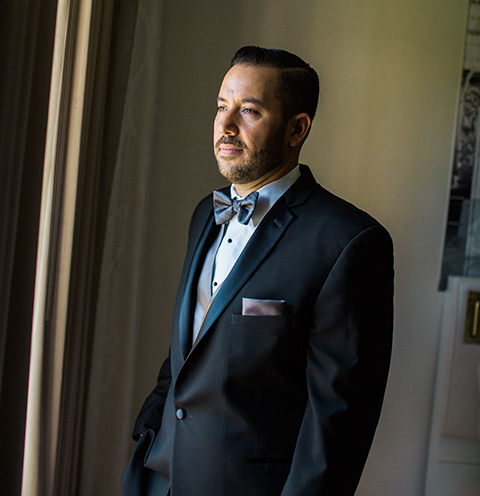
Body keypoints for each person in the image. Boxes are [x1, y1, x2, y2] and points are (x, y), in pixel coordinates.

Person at [121, 46, 394, 496]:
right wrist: (147, 437)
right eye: (221, 106)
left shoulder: (350, 242)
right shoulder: (204, 216)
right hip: (159, 477)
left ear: (296, 129)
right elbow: (188, 349)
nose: (226, 126)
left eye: (248, 110)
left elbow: (339, 419)